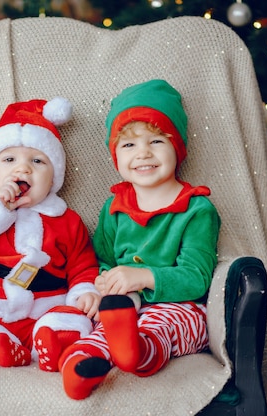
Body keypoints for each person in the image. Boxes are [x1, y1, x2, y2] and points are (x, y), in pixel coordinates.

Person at [58, 79, 221, 399]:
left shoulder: (196, 209)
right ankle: (79, 368)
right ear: (115, 156)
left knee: (161, 327)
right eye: (129, 145)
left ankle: (137, 352)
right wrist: (100, 285)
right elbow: (101, 260)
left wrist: (142, 276)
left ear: (177, 147)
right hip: (125, 308)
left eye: (156, 141)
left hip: (179, 306)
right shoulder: (114, 208)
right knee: (99, 332)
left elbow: (197, 277)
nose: (143, 153)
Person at [0, 97, 101, 372]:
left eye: (37, 161)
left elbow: (83, 265)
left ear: (54, 178)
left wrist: (84, 291)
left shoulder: (67, 220)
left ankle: (50, 342)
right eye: (9, 159)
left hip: (43, 310)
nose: (22, 168)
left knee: (71, 318)